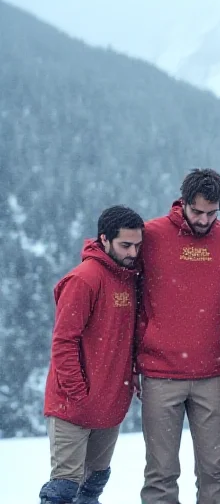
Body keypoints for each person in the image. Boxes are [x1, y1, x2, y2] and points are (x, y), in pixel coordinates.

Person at [137, 168, 220, 504]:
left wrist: (201, 309)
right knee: (161, 474)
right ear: (182, 202)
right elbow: (130, 287)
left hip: (211, 373)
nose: (203, 220)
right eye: (197, 211)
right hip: (159, 372)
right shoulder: (151, 235)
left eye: (212, 213)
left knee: (215, 472)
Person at [39, 205, 144, 504]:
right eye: (125, 245)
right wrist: (79, 393)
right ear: (104, 240)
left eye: (137, 245)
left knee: (93, 486)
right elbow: (63, 342)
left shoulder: (127, 276)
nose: (133, 252)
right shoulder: (84, 279)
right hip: (72, 406)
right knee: (63, 490)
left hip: (109, 404)